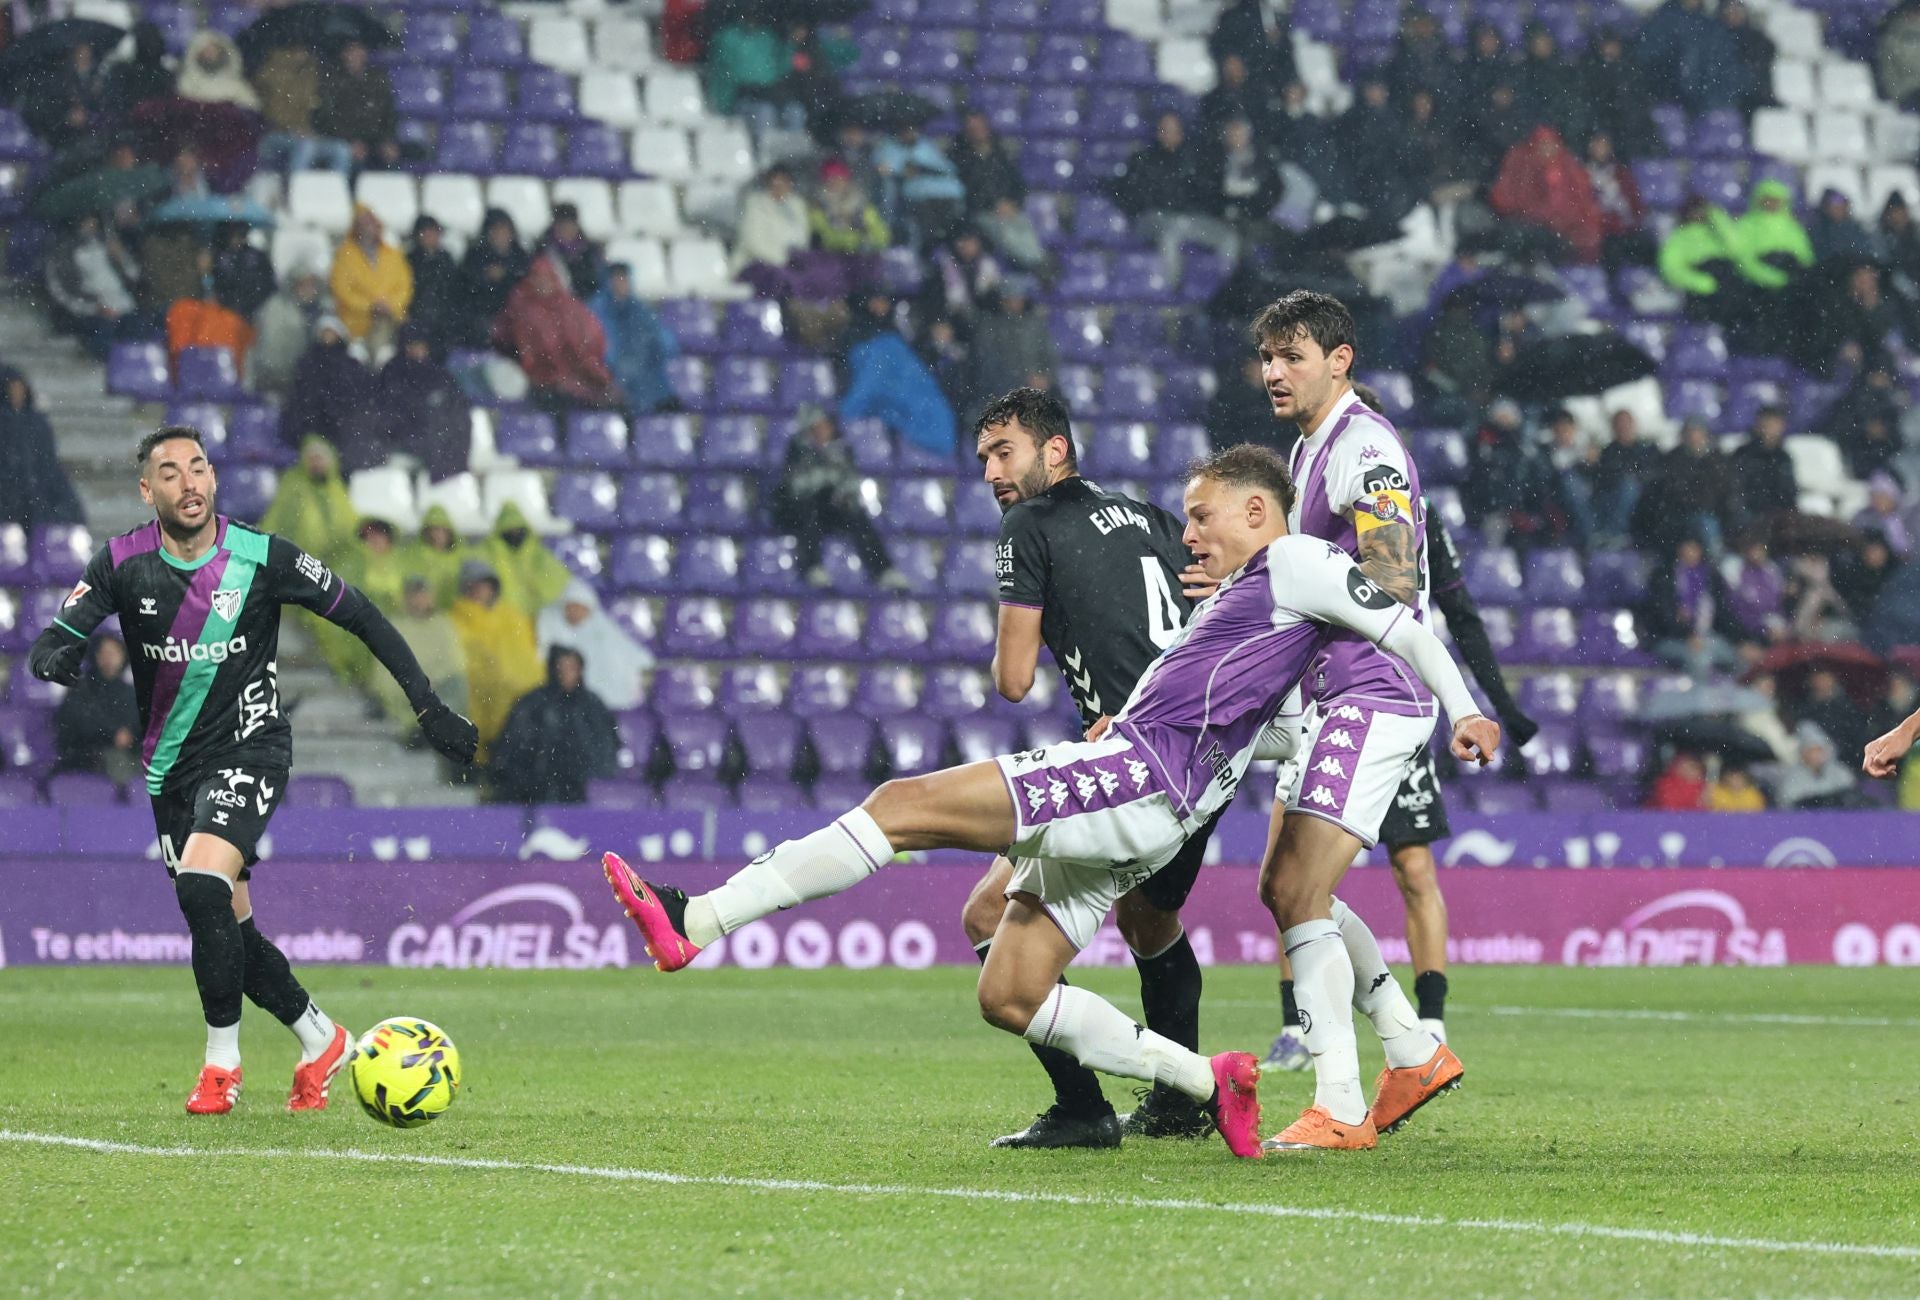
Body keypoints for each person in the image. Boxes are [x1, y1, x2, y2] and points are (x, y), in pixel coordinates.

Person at [600, 442, 1499, 1163]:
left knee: (903, 803)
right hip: (1144, 802)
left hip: (1135, 783)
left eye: (1201, 515)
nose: (1186, 534)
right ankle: (1209, 1079)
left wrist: (1464, 709)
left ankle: (697, 921)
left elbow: (1403, 623)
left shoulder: (1296, 559)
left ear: (1257, 511)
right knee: (1010, 989)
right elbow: (1251, 723)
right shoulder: (1247, 611)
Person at [27, 425, 476, 1115]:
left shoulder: (262, 557)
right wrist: (55, 652)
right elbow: (64, 627)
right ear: (147, 490)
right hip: (170, 771)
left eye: (199, 467)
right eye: (170, 472)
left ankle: (221, 1065)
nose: (190, 482)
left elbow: (362, 615)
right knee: (224, 926)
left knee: (204, 884)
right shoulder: (122, 562)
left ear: (214, 479)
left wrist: (427, 706)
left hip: (251, 748)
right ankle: (320, 1037)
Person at [1226, 292, 1473, 1151]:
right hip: (1342, 694)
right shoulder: (1314, 446)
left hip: (1375, 691)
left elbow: (1392, 576)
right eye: (1267, 358)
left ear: (1342, 359)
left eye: (1292, 356)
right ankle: (1408, 1048)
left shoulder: (1364, 447)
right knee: (1284, 887)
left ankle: (1336, 1101)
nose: (1273, 373)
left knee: (1298, 891)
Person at [961, 388, 1219, 1148]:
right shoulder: (1153, 519)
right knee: (1150, 918)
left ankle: (1084, 1107)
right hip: (1201, 757)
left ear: (1055, 451)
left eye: (1003, 452)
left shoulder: (1029, 524)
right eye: (982, 458)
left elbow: (1012, 679)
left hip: (1128, 761)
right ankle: (1177, 1107)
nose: (991, 473)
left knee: (985, 916)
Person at [1262, 374, 1536, 1070]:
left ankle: (1416, 1034)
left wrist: (1486, 703)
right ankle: (1351, 1033)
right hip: (1326, 700)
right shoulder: (1304, 477)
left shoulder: (1399, 501)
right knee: (1284, 882)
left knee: (1399, 870)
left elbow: (1440, 610)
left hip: (1383, 695)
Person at [771, 405, 907, 591]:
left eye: (825, 425)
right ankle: (813, 568)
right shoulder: (797, 450)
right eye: (818, 426)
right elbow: (795, 485)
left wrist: (841, 491)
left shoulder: (842, 449)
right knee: (807, 510)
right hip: (802, 508)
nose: (823, 430)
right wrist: (824, 479)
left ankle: (884, 571)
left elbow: (851, 480)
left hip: (831, 508)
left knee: (857, 514)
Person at [1112, 112, 1239, 281]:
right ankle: (1171, 296)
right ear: (1157, 132)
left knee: (1229, 238)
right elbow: (1131, 196)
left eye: (1173, 129)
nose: (1168, 134)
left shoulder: (1194, 159)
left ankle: (1225, 287)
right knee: (1170, 235)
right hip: (1153, 218)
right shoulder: (1143, 159)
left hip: (1187, 219)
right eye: (1164, 129)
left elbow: (1205, 194)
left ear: (1181, 132)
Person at [489, 646, 620, 805]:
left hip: (580, 788)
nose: (566, 674)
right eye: (562, 667)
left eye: (572, 667)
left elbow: (605, 749)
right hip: (534, 790)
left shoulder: (592, 706)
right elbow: (511, 748)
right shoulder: (533, 703)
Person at [491, 257, 621, 411]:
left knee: (615, 400)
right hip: (542, 381)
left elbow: (587, 347)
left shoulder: (569, 306)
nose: (543, 283)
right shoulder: (522, 307)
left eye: (547, 278)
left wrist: (597, 378)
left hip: (572, 377)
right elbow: (528, 353)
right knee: (561, 401)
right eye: (538, 278)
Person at [449, 557, 545, 762]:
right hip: (481, 691)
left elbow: (527, 656)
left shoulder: (514, 617)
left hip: (519, 692)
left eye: (483, 585)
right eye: (473, 586)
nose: (479, 591)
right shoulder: (456, 620)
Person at [840, 291, 956, 455]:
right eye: (876, 301)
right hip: (891, 389)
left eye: (884, 301)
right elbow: (869, 379)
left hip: (912, 394)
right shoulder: (860, 336)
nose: (881, 306)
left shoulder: (897, 333)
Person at [370, 576, 468, 738]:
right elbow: (383, 673)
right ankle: (415, 729)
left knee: (456, 685)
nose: (418, 600)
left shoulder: (443, 624)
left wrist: (430, 682)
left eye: (422, 594)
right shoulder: (394, 626)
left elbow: (456, 663)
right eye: (413, 595)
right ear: (405, 598)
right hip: (407, 696)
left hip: (438, 692)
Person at [1489, 126, 1604, 263]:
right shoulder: (1522, 162)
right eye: (1543, 145)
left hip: (1564, 231)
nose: (1547, 150)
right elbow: (1505, 197)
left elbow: (1582, 203)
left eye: (1551, 145)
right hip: (1531, 227)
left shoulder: (1568, 165)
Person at [536, 578, 652, 712]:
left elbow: (626, 650)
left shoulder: (599, 624)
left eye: (582, 608)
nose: (577, 612)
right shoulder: (550, 621)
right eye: (573, 606)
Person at [372, 324, 470, 482]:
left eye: (421, 346)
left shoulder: (438, 374)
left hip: (436, 434)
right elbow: (388, 412)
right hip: (405, 436)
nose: (418, 350)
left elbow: (457, 404)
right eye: (413, 345)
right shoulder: (392, 373)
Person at [44, 214, 148, 360]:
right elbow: (63, 292)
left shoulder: (109, 244)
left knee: (142, 331)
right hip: (93, 311)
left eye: (94, 224)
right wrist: (96, 307)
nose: (91, 228)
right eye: (87, 223)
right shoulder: (64, 252)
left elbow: (134, 276)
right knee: (105, 337)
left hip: (125, 306)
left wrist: (121, 257)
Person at [278, 316, 377, 466]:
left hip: (342, 426)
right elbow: (300, 396)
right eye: (325, 333)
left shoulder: (351, 365)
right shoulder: (307, 364)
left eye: (332, 333)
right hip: (312, 424)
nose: (328, 338)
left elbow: (359, 398)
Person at [0, 368, 85, 532]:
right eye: (12, 389)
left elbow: (47, 459)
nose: (17, 394)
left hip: (36, 489)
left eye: (20, 389)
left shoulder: (37, 422)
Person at [591, 264, 680, 418]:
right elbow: (603, 350)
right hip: (609, 382)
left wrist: (658, 348)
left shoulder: (640, 309)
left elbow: (665, 343)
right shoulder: (597, 309)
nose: (621, 284)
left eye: (624, 279)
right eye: (616, 279)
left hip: (642, 381)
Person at [258, 434, 359, 567]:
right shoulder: (293, 485)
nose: (316, 463)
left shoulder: (336, 488)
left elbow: (348, 525)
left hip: (334, 563)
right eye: (312, 458)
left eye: (320, 458)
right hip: (298, 561)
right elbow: (277, 517)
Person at [53, 634, 140, 783]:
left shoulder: (130, 692)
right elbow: (77, 723)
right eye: (104, 652)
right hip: (87, 755)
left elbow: (141, 725)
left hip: (127, 754)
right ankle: (122, 803)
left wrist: (131, 736)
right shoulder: (81, 688)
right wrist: (113, 735)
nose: (109, 658)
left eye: (114, 653)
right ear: (95, 656)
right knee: (117, 761)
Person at [329, 205, 413, 354]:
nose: (370, 228)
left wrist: (390, 305)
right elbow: (342, 290)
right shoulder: (344, 256)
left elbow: (405, 287)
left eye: (373, 223)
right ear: (356, 227)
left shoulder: (393, 255)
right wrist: (370, 306)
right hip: (356, 320)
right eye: (364, 224)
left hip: (390, 317)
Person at [313, 40, 399, 170]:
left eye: (359, 51)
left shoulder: (377, 79)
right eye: (351, 51)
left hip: (374, 139)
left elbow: (389, 113)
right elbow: (327, 118)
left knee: (396, 153)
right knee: (347, 154)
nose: (356, 55)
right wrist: (350, 141)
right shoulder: (332, 81)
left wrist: (387, 140)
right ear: (343, 55)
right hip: (343, 139)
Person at [481, 500, 571, 618]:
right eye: (509, 531)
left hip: (537, 617)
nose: (514, 534)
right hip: (500, 618)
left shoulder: (540, 555)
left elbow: (557, 586)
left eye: (518, 530)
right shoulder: (486, 554)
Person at [250, 267, 331, 395]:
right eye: (303, 284)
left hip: (310, 380)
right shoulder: (276, 307)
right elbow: (269, 349)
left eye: (311, 284)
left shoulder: (322, 312)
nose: (308, 289)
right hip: (276, 377)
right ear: (294, 286)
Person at [459, 209, 533, 345]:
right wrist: (487, 277)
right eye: (495, 230)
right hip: (484, 313)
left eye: (504, 230)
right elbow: (467, 287)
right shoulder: (475, 256)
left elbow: (527, 283)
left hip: (515, 311)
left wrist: (506, 275)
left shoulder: (521, 256)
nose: (500, 235)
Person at [1728, 405, 1799, 534]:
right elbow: (1736, 490)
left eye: (1775, 424)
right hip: (1750, 513)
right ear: (1758, 425)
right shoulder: (1742, 454)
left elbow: (1789, 491)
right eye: (1767, 423)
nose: (1770, 429)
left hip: (1778, 514)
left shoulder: (1783, 457)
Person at [732, 165, 812, 274]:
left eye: (782, 185)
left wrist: (796, 259)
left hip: (791, 265)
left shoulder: (797, 205)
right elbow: (753, 244)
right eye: (774, 186)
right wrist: (783, 260)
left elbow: (803, 239)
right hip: (757, 263)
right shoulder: (756, 205)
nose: (778, 190)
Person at [405, 216, 462, 349]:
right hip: (418, 316)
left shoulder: (447, 260)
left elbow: (455, 290)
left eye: (433, 232)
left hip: (445, 316)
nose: (430, 236)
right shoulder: (409, 261)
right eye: (425, 232)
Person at [402, 504, 472, 609]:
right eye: (434, 529)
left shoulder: (462, 555)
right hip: (424, 610)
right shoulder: (416, 555)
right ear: (427, 532)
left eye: (442, 530)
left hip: (455, 610)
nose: (438, 534)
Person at [1778, 722, 1859, 809]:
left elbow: (1851, 797)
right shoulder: (1792, 777)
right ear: (1803, 753)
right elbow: (1789, 803)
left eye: (1819, 750)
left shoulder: (1841, 772)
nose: (1816, 755)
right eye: (1811, 751)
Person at [536, 202, 606, 299]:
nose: (567, 230)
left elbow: (601, 283)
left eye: (570, 225)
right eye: (562, 226)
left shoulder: (591, 251)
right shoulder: (543, 252)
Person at [210, 222, 275, 321]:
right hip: (225, 310)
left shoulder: (256, 256)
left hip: (252, 309)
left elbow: (268, 281)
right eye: (233, 235)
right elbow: (216, 280)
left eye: (241, 234)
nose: (237, 239)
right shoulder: (219, 256)